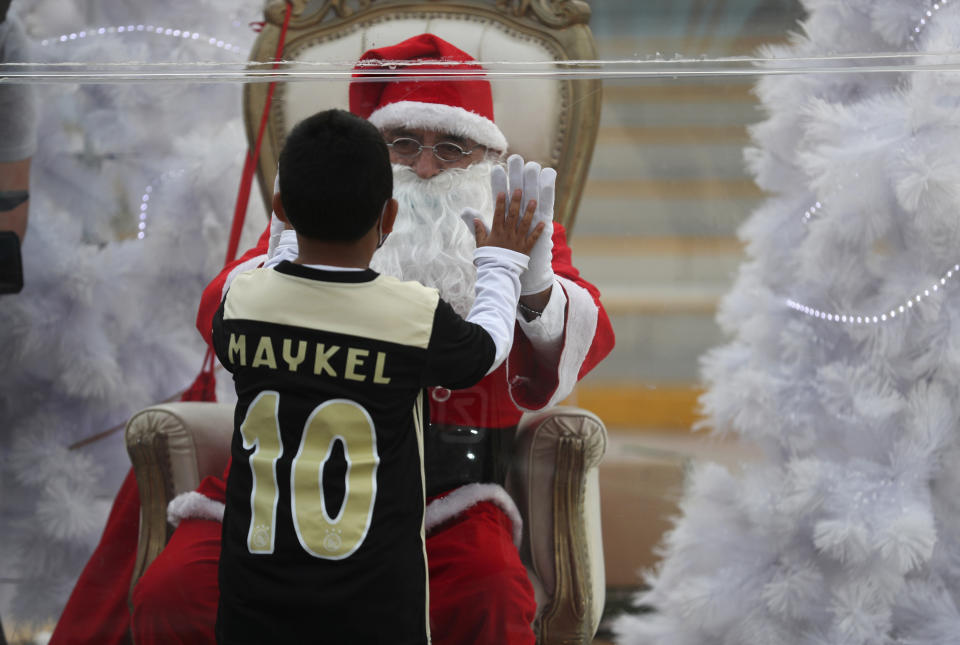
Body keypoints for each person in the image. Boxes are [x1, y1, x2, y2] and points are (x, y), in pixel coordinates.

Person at [53, 33, 614, 645]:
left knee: (489, 592)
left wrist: (530, 287)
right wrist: (284, 252)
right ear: (375, 159)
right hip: (284, 487)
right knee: (176, 588)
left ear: (483, 157)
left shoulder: (515, 223)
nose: (425, 168)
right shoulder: (317, 214)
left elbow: (592, 333)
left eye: (450, 148)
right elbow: (218, 303)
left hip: (440, 499)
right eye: (403, 144)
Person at [212, 107, 542, 644]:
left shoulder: (241, 300)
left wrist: (287, 243)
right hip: (371, 596)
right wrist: (501, 263)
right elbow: (484, 350)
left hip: (256, 590)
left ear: (280, 209)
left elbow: (255, 324)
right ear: (389, 219)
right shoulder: (410, 313)